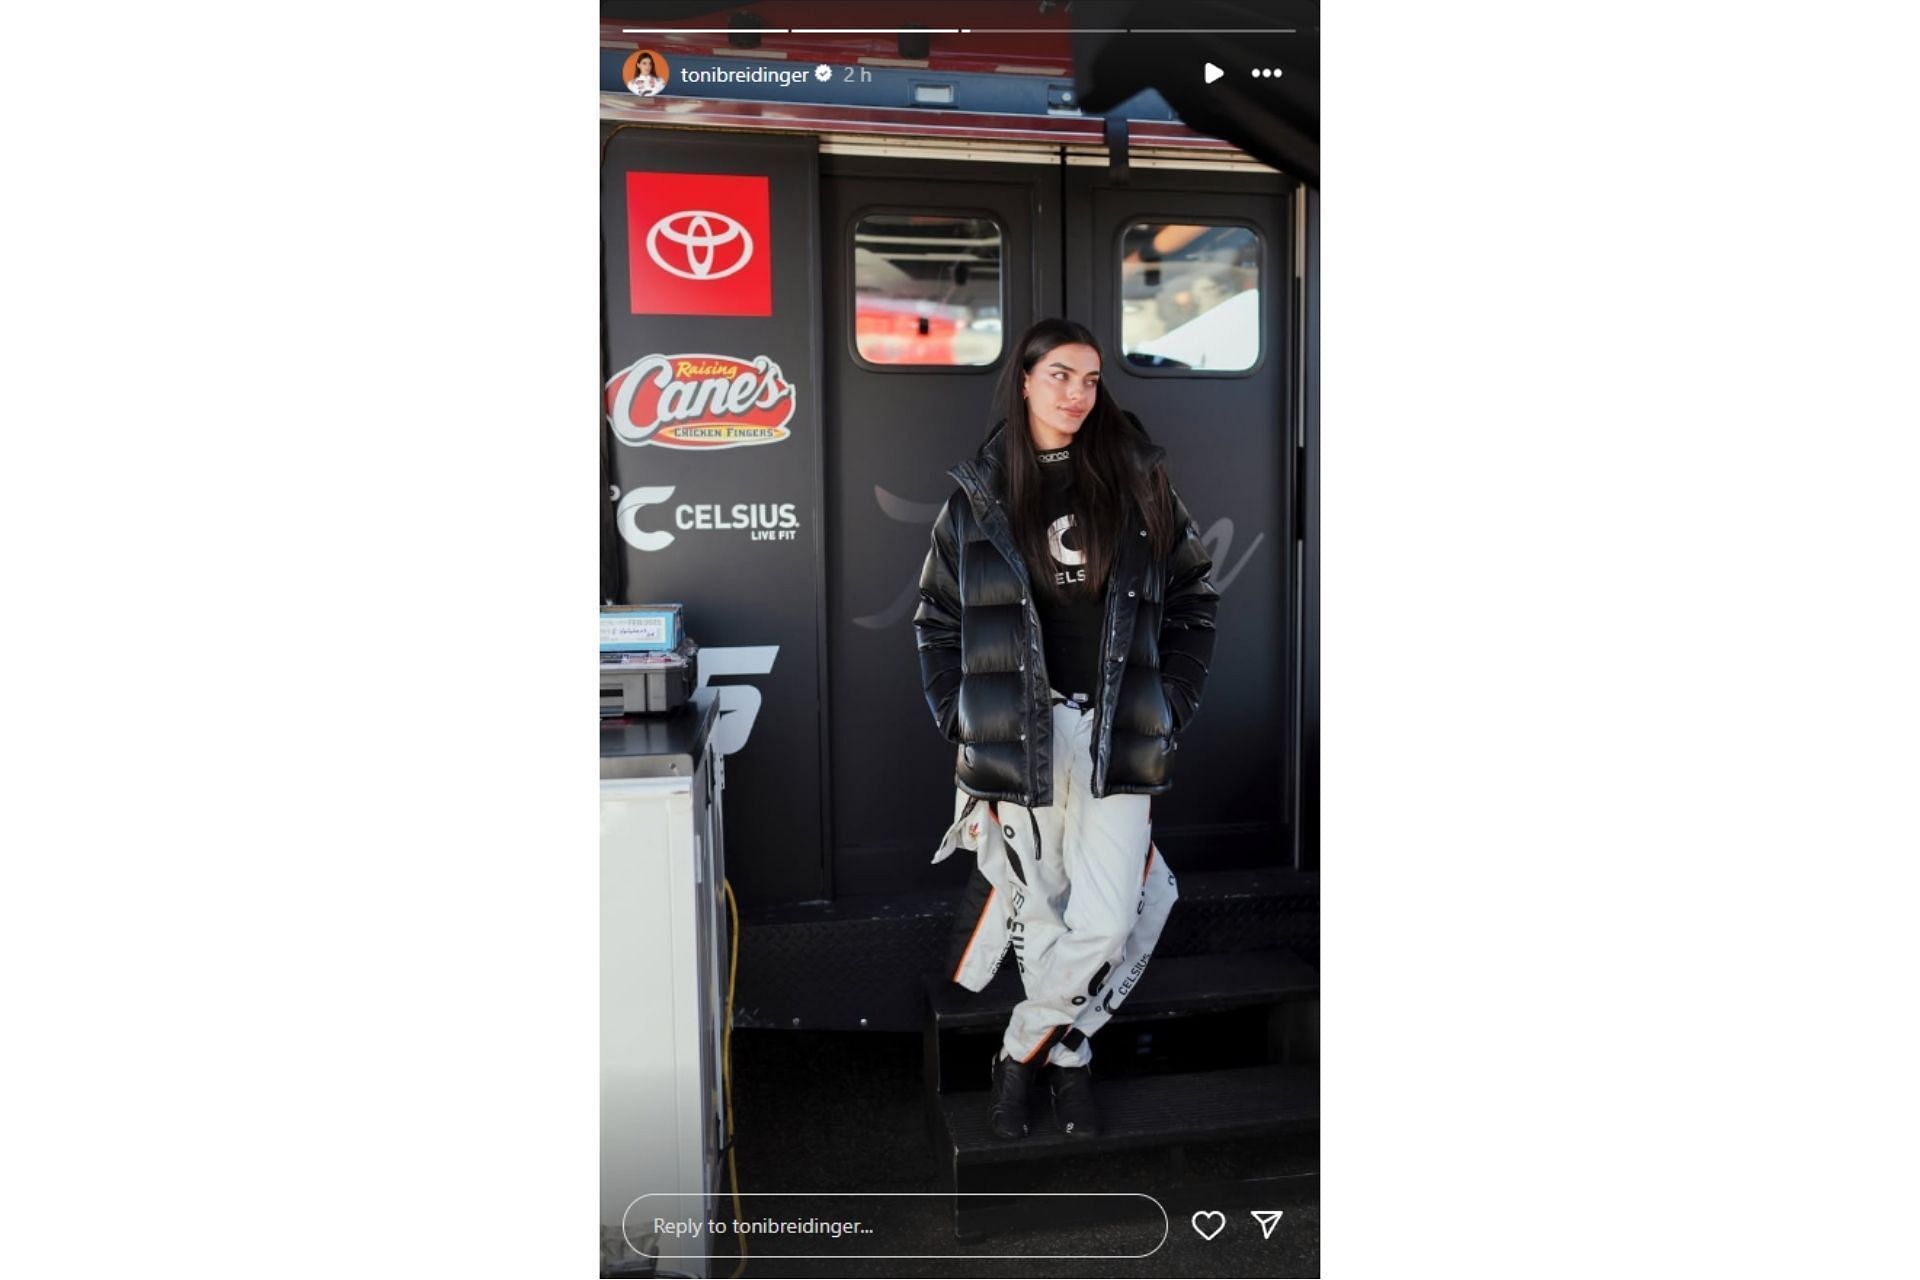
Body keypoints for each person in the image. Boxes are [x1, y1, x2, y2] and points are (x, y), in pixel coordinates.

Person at [913, 317, 1219, 1139]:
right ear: (1023, 379)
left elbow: (1195, 598)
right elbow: (937, 617)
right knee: (1042, 912)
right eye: (1059, 376)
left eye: (1089, 379)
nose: (1077, 394)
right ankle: (1073, 1058)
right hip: (1021, 735)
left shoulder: (1138, 479)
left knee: (1109, 917)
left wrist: (1172, 701)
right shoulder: (979, 491)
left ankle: (1022, 1051)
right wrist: (963, 714)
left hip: (1117, 730)